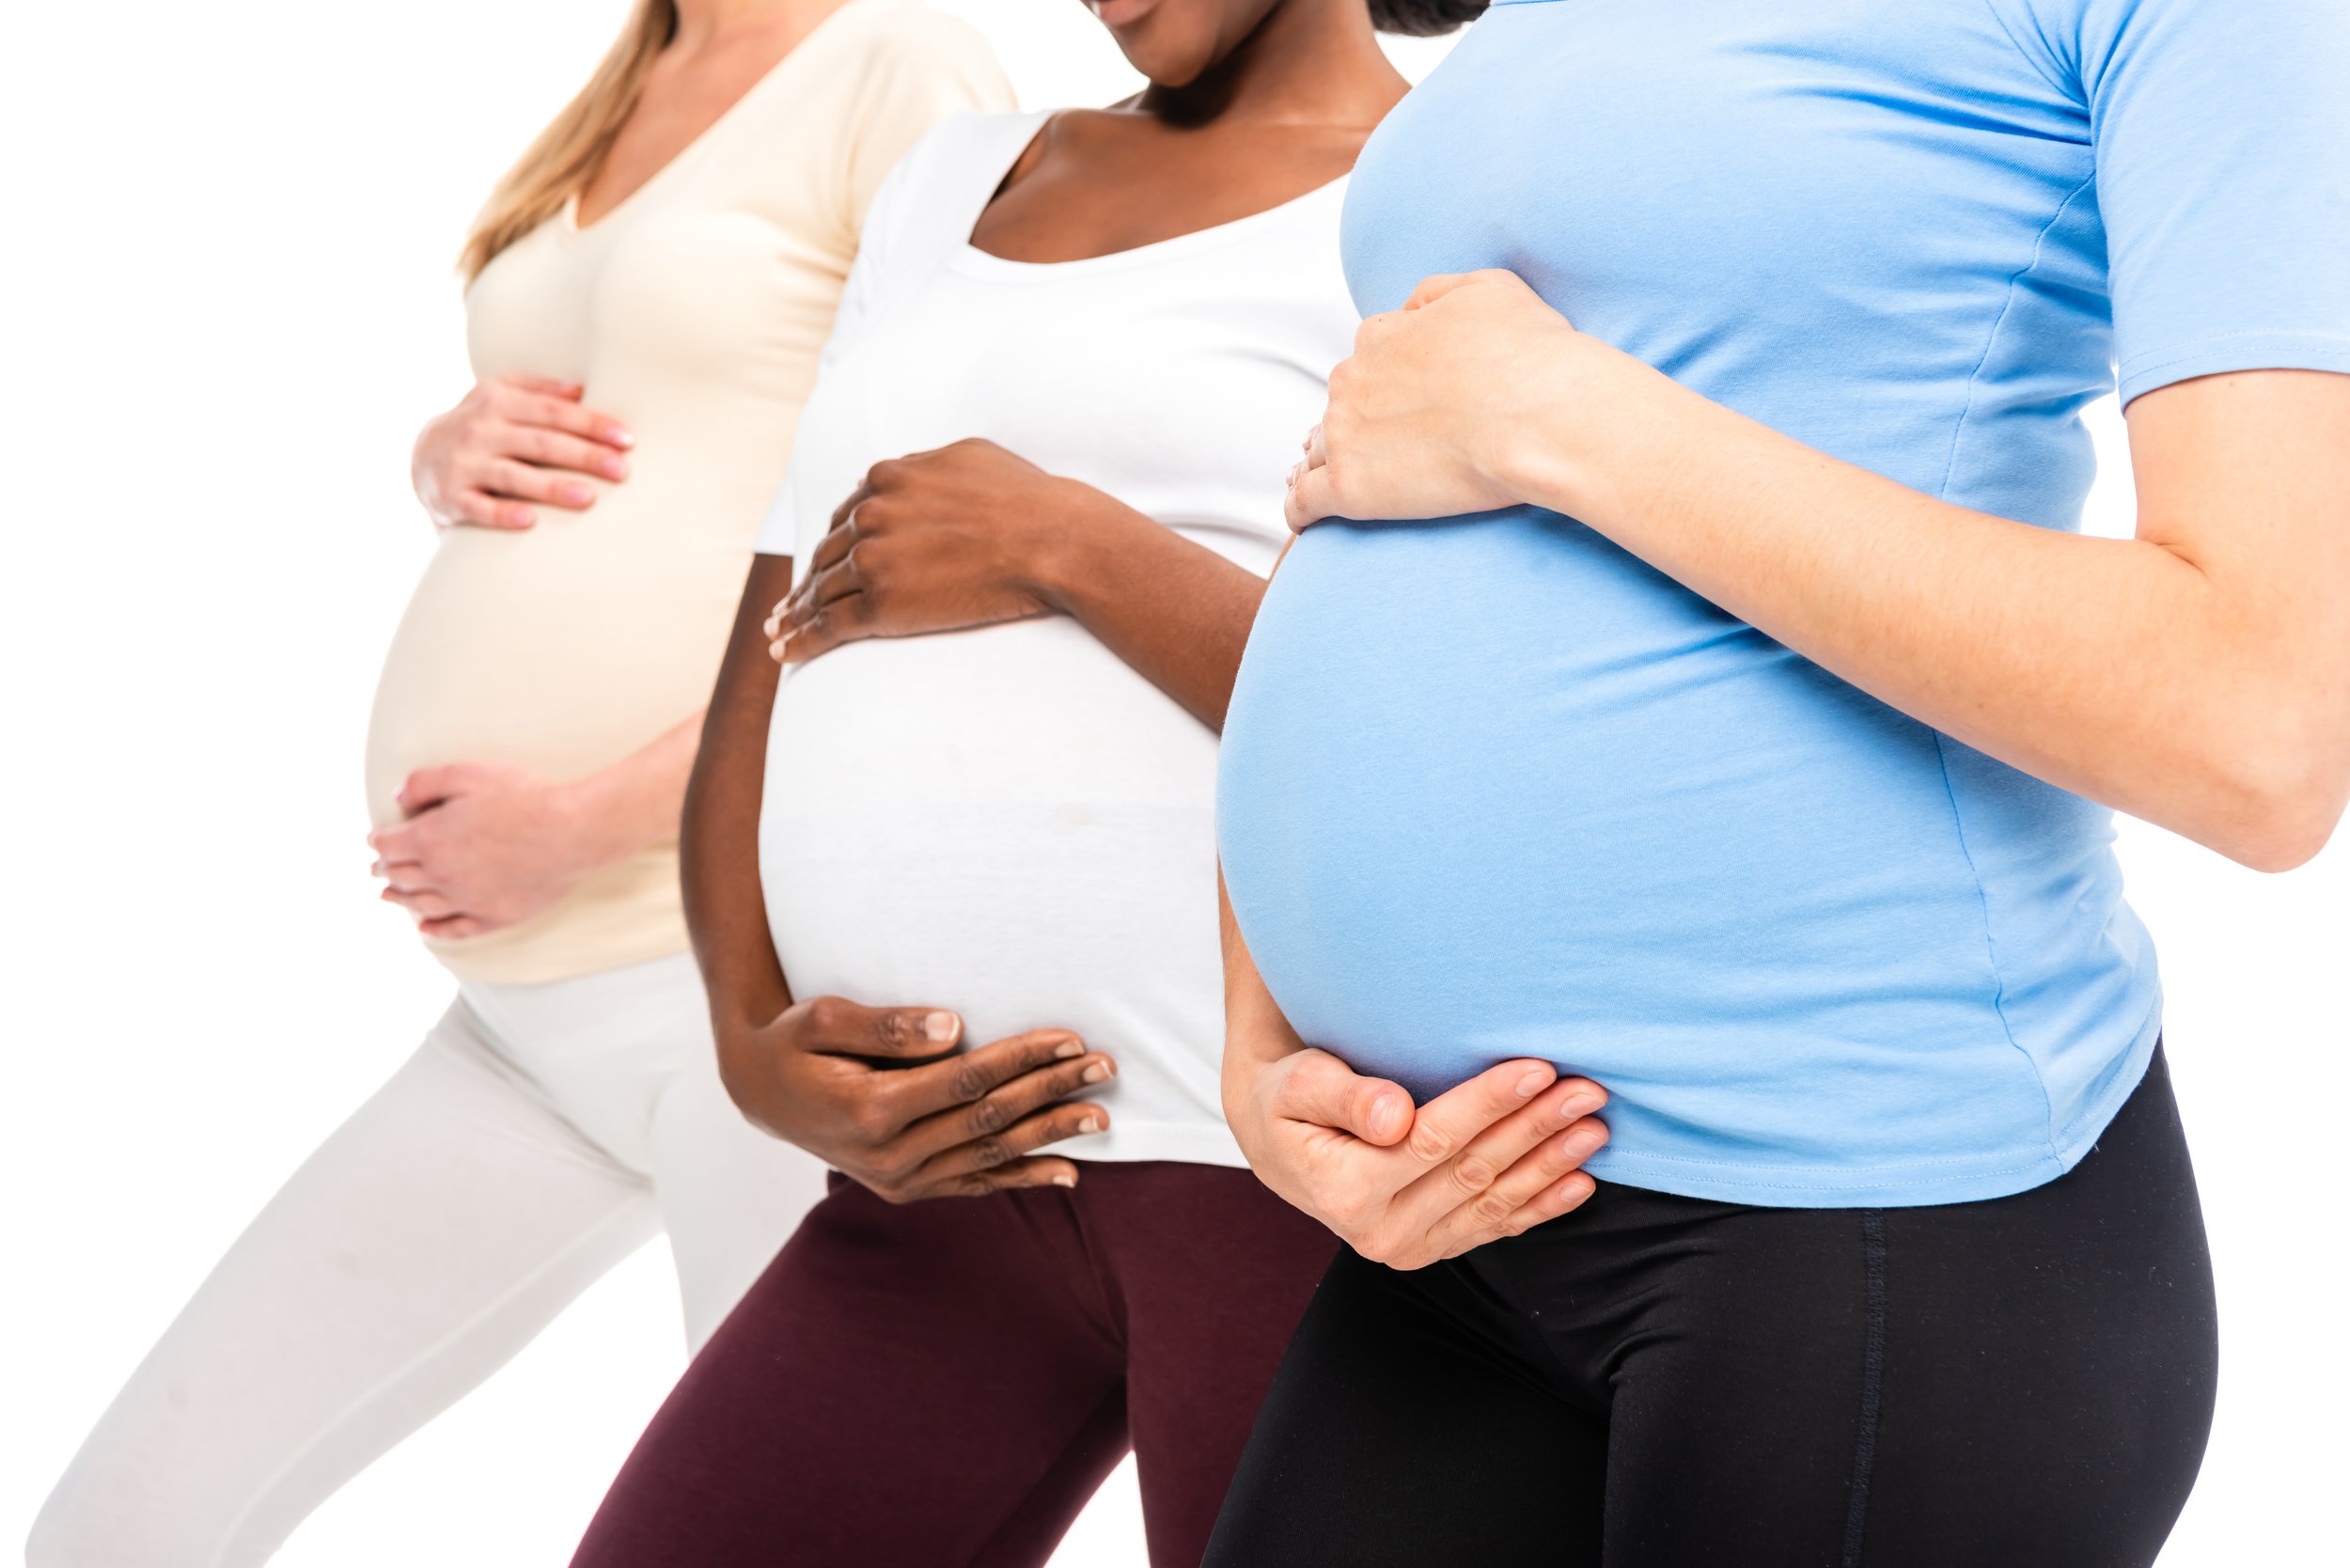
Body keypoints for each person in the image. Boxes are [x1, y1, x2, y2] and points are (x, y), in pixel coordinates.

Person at [1206, 0, 2350, 1564]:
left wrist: (1554, 416)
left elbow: (2261, 731)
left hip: (1866, 1230)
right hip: (1456, 1206)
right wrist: (1260, 1042)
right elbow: (1364, 473)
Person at [561, 3, 1613, 1565]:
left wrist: (1070, 545)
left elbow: (1472, 735)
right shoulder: (946, 184)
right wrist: (747, 1046)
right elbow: (769, 654)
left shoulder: (1458, 197)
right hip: (930, 1196)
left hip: (1288, 1192)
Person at [27, 4, 1010, 1563]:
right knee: (123, 1527)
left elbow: (969, 512)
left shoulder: (896, 61)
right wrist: (446, 451)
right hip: (523, 1030)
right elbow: (658, 424)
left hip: (741, 987)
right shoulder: (633, 70)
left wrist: (597, 816)